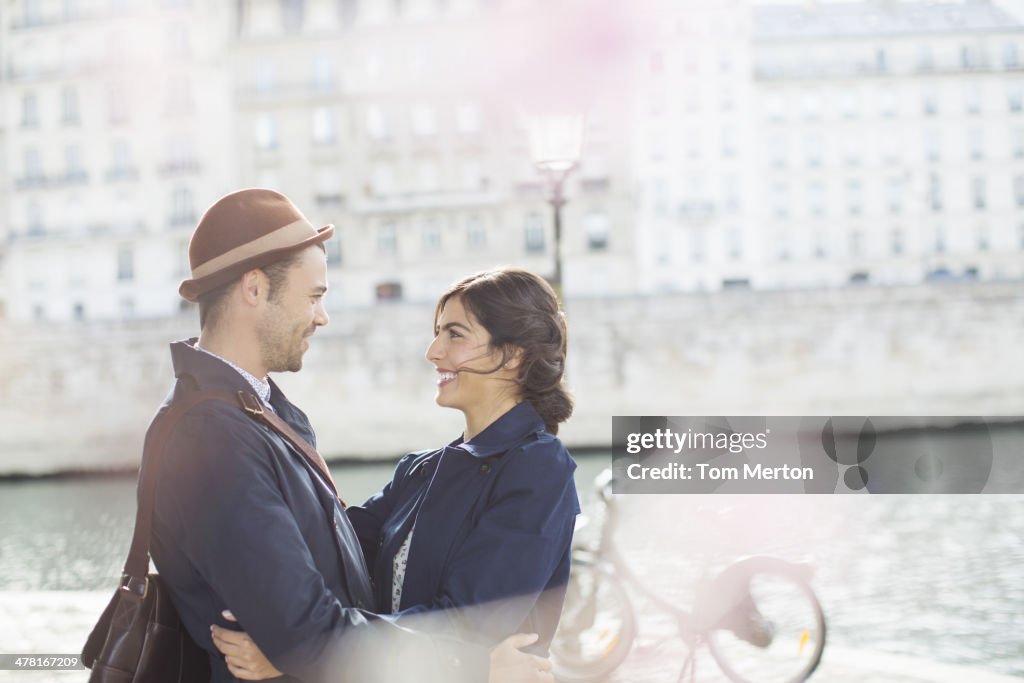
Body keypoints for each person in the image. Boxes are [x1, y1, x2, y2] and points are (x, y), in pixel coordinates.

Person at [149, 188, 551, 683]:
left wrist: (302, 647)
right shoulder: (212, 435)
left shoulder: (256, 415)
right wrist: (465, 664)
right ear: (253, 288)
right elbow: (305, 631)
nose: (322, 316)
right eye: (314, 296)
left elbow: (337, 577)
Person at [210, 268, 580, 680]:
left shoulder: (538, 468)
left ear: (513, 355)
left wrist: (303, 651)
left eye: (455, 334)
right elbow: (332, 549)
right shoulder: (419, 469)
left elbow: (468, 627)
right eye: (438, 332)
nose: (433, 351)